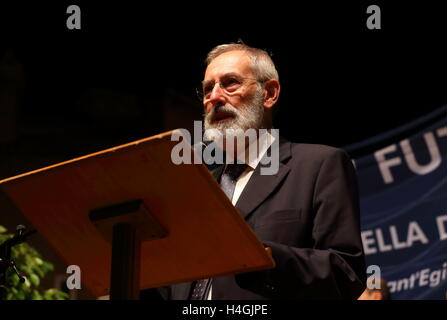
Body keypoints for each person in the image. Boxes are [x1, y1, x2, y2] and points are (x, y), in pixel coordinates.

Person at [143, 42, 367, 300]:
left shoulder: (319, 165)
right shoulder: (198, 190)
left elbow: (345, 273)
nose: (214, 98)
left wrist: (259, 257)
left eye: (230, 83)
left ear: (269, 93)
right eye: (207, 89)